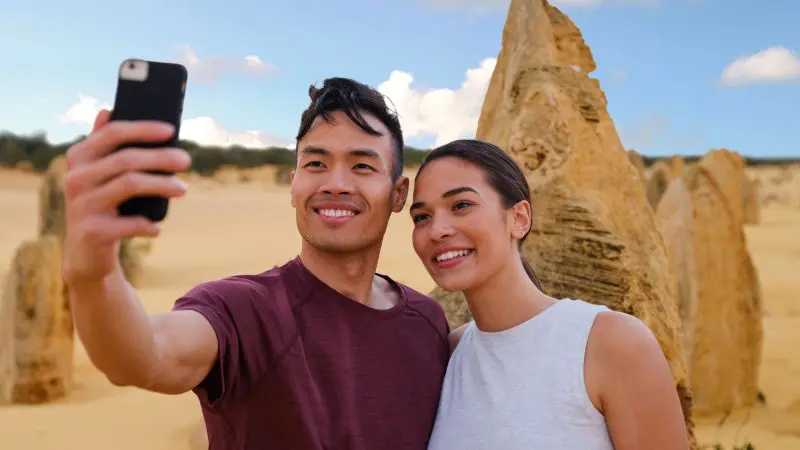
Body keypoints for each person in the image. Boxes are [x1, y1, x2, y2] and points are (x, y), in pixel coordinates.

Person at [61, 77, 450, 449]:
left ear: (398, 194)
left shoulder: (428, 322)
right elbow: (144, 355)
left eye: (362, 166)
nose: (336, 183)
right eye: (316, 164)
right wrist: (93, 274)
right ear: (294, 184)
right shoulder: (241, 309)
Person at [407, 139, 690, 449]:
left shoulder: (611, 344)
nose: (437, 230)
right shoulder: (450, 354)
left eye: (461, 205)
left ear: (519, 218)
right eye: (422, 217)